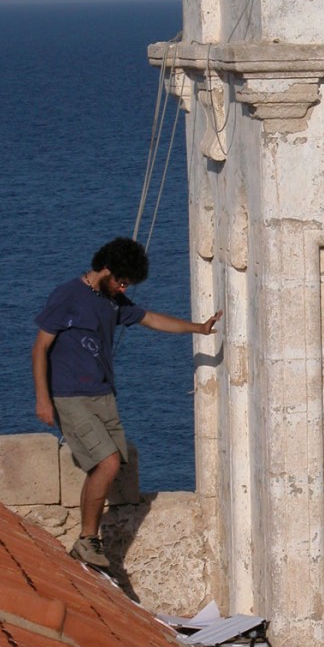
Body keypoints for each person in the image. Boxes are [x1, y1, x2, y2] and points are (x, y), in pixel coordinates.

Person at [32, 237, 222, 569]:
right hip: (69, 395)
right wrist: (43, 400)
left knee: (112, 463)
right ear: (105, 270)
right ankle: (87, 539)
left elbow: (151, 319)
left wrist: (200, 329)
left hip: (103, 395)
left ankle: (88, 540)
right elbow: (40, 348)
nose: (123, 288)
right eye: (121, 281)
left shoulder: (111, 300)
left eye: (127, 284)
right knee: (106, 462)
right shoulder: (67, 296)